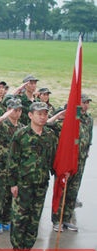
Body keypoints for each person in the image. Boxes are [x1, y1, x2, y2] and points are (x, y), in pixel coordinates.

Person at [8, 102, 57, 251]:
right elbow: (13, 160)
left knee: (34, 218)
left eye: (45, 114)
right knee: (20, 217)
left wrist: (60, 173)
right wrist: (13, 183)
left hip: (41, 182)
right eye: (39, 114)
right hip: (24, 184)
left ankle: (27, 249)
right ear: (30, 115)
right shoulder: (21, 135)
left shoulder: (49, 135)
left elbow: (53, 158)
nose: (43, 117)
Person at [52, 94, 93, 232]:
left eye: (87, 103)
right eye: (83, 102)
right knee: (61, 190)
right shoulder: (69, 119)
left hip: (80, 161)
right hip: (67, 161)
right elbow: (49, 125)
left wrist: (86, 150)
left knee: (73, 191)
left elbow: (88, 137)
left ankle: (67, 219)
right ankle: (57, 220)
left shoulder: (88, 119)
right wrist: (62, 115)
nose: (85, 105)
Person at [0, 98, 24, 234]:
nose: (17, 113)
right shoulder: (2, 124)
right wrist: (3, 117)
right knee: (0, 195)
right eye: (14, 110)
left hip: (15, 167)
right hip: (2, 165)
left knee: (11, 195)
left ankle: (7, 219)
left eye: (19, 110)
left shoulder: (21, 128)